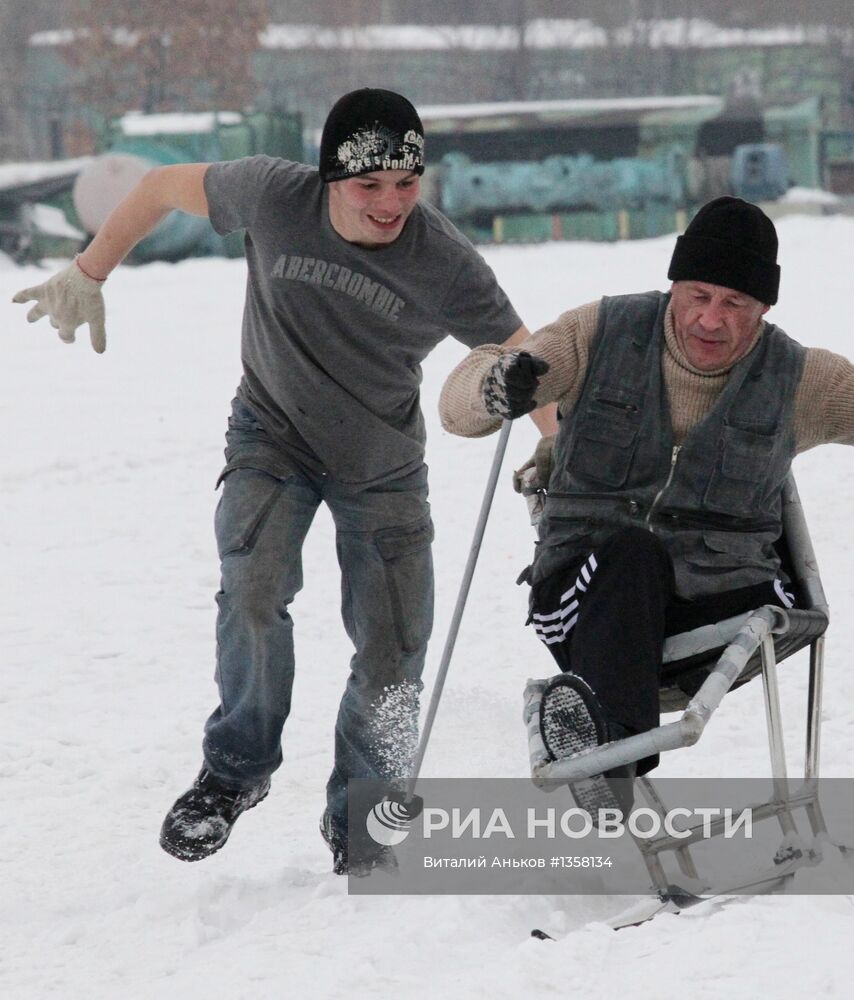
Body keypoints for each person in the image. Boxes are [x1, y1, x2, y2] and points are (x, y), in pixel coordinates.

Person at [12, 88, 555, 875]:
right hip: (272, 433)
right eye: (369, 185)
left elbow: (526, 358)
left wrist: (556, 458)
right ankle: (234, 770)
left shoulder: (442, 260)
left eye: (406, 184)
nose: (390, 203)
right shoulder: (272, 193)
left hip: (380, 462)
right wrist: (90, 270)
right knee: (254, 588)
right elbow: (159, 186)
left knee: (395, 644)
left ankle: (364, 811)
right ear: (331, 176)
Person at [438, 196, 854, 816]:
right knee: (632, 551)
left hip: (720, 608)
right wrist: (495, 385)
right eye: (698, 295)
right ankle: (606, 770)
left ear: (763, 309)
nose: (711, 319)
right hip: (589, 597)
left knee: (710, 580)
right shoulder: (599, 333)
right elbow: (460, 406)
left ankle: (598, 745)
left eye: (735, 304)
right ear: (674, 285)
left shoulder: (799, 377)